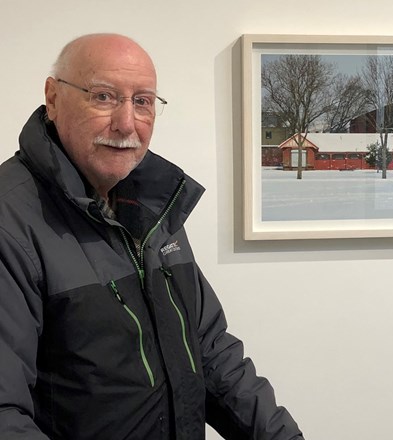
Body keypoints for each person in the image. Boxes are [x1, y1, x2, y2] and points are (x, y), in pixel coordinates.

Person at [0, 33, 303, 440]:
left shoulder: (154, 208)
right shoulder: (10, 222)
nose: (126, 123)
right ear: (52, 98)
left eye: (142, 101)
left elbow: (210, 352)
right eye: (104, 96)